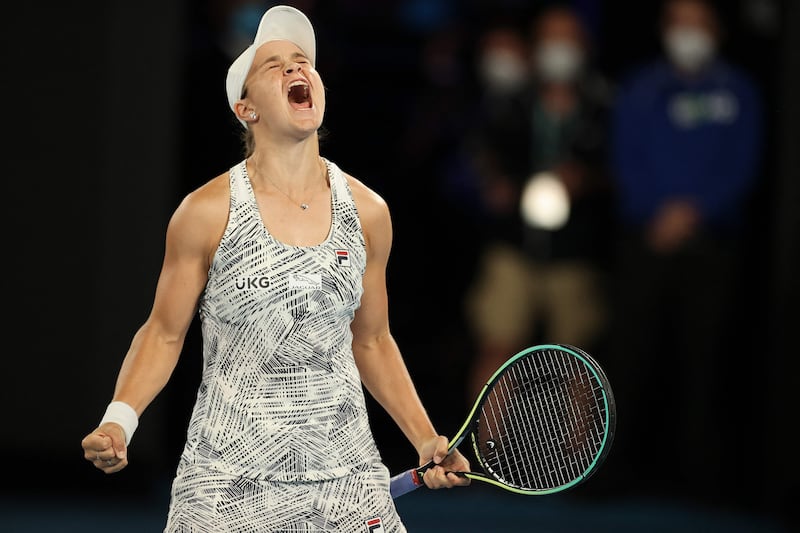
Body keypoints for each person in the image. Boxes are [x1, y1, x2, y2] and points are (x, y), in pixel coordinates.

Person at [80, 5, 470, 531]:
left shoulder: (370, 212)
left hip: (346, 483)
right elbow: (164, 334)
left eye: (302, 61)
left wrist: (425, 438)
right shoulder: (205, 211)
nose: (295, 70)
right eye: (274, 66)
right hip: (226, 486)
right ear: (246, 109)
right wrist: (118, 421)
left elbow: (373, 340)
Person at [608, 0, 763, 500]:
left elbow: (743, 163)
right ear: (663, 29)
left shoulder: (738, 91)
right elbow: (624, 158)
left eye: (697, 23)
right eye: (678, 23)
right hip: (646, 240)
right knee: (630, 359)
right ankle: (613, 477)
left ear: (715, 29)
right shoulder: (639, 88)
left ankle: (704, 482)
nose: (687, 32)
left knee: (706, 362)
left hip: (711, 244)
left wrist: (694, 212)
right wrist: (658, 213)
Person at [463, 5, 614, 401]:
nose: (557, 48)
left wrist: (587, 180)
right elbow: (483, 160)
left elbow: (624, 171)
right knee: (497, 352)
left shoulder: (606, 105)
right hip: (513, 245)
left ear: (584, 45)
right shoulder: (510, 104)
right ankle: (477, 455)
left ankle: (576, 460)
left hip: (577, 251)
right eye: (549, 38)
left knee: (578, 366)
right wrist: (499, 183)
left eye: (566, 38)